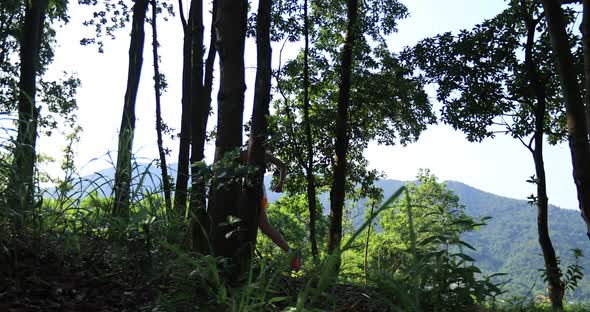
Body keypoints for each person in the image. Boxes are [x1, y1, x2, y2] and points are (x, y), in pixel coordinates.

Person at [257, 152, 300, 271]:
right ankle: (291, 253)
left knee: (265, 227)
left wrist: (281, 184)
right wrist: (280, 184)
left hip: (256, 193)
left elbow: (283, 166)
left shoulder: (248, 153)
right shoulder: (257, 153)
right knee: (265, 228)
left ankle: (292, 253)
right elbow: (282, 166)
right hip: (256, 193)